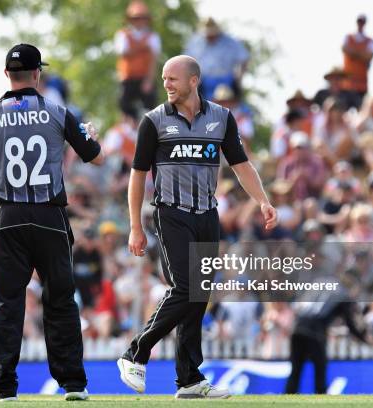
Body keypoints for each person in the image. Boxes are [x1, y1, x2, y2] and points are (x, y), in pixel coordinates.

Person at [117, 55, 277, 399]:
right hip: (171, 214)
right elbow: (138, 176)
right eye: (163, 79)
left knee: (198, 296)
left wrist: (262, 199)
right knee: (186, 288)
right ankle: (135, 353)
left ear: (194, 81)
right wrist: (135, 225)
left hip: (208, 214)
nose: (166, 85)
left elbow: (241, 164)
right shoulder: (154, 121)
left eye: (172, 79)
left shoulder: (221, 118)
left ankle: (189, 379)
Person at [0, 43, 104, 401]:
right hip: (50, 218)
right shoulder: (58, 111)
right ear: (37, 74)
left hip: (8, 217)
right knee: (60, 299)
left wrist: (0, 183)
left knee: (8, 301)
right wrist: (91, 134)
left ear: (7, 75)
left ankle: (6, 387)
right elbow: (94, 157)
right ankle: (73, 383)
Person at [285, 292, 372, 394]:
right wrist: (364, 339)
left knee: (296, 369)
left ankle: (289, 395)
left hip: (297, 329)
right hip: (315, 332)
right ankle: (320, 394)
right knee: (320, 367)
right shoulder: (342, 296)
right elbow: (350, 323)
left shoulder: (319, 291)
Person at [114, 1, 161, 118]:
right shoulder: (122, 35)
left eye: (142, 18)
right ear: (130, 19)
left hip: (145, 78)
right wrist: (143, 47)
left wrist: (149, 80)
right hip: (127, 79)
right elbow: (123, 53)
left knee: (151, 108)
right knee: (124, 106)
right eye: (136, 18)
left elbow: (154, 60)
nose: (139, 21)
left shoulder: (153, 36)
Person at [184, 18, 250, 99]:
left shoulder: (230, 42)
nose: (210, 37)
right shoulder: (195, 42)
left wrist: (239, 77)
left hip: (227, 82)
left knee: (232, 104)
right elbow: (186, 62)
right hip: (203, 83)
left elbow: (244, 58)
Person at [342, 14, 373, 109]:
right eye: (359, 21)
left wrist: (354, 53)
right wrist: (362, 54)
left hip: (362, 86)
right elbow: (345, 49)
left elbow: (368, 56)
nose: (360, 24)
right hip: (347, 85)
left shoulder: (370, 41)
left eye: (362, 22)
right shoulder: (348, 37)